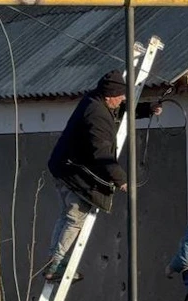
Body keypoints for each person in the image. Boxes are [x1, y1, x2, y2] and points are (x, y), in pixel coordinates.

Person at [44, 70, 161, 282]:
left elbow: (121, 110)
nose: (124, 98)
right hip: (73, 173)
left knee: (66, 216)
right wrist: (122, 180)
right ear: (109, 96)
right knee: (75, 217)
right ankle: (57, 263)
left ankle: (54, 260)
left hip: (63, 168)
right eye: (121, 95)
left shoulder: (97, 101)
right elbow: (102, 153)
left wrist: (147, 109)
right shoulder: (96, 114)